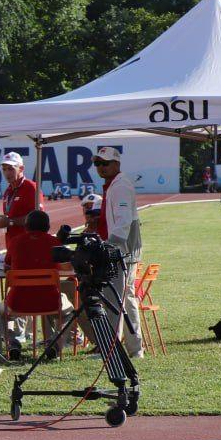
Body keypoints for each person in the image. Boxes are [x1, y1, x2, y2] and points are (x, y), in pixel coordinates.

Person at [0, 151, 43, 358]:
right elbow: (10, 218)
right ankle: (21, 334)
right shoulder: (8, 192)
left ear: (21, 168)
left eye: (10, 168)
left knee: (20, 293)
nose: (6, 172)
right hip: (14, 248)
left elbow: (39, 218)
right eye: (4, 168)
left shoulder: (31, 187)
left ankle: (19, 336)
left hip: (31, 251)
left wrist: (11, 222)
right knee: (17, 291)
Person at [93, 146, 143, 357]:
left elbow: (122, 222)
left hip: (121, 250)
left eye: (105, 163)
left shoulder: (120, 186)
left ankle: (113, 349)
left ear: (116, 164)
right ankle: (134, 348)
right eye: (97, 164)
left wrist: (110, 247)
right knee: (126, 297)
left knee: (116, 299)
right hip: (122, 249)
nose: (101, 167)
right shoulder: (114, 185)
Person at [3, 210, 74, 359]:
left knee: (2, 311)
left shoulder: (15, 241)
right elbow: (67, 268)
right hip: (50, 302)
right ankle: (55, 344)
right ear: (47, 227)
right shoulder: (55, 243)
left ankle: (12, 342)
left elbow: (6, 266)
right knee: (70, 311)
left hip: (18, 302)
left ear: (26, 226)